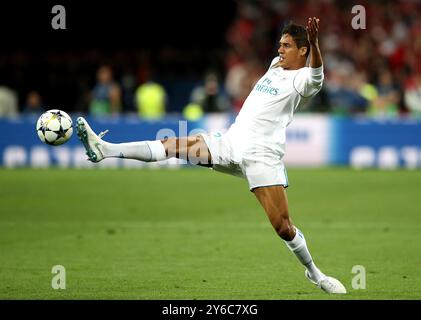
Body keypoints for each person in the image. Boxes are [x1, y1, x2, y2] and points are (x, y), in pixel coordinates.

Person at [76, 18, 346, 294]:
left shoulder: (304, 80)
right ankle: (105, 149)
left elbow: (316, 73)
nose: (280, 50)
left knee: (283, 227)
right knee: (172, 145)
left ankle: (315, 273)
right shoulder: (275, 66)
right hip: (230, 142)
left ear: (303, 50)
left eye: (287, 46)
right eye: (280, 44)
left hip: (262, 155)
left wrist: (314, 44)